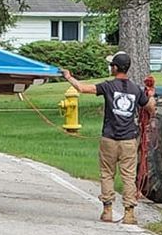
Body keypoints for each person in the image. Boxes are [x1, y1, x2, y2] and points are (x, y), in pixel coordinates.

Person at [60, 51, 151, 225]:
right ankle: (129, 213)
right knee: (128, 176)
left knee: (107, 174)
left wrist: (69, 77)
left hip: (109, 138)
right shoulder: (136, 89)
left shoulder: (108, 86)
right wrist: (150, 94)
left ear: (115, 68)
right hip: (129, 140)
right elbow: (150, 107)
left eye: (111, 65)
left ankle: (107, 210)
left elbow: (82, 88)